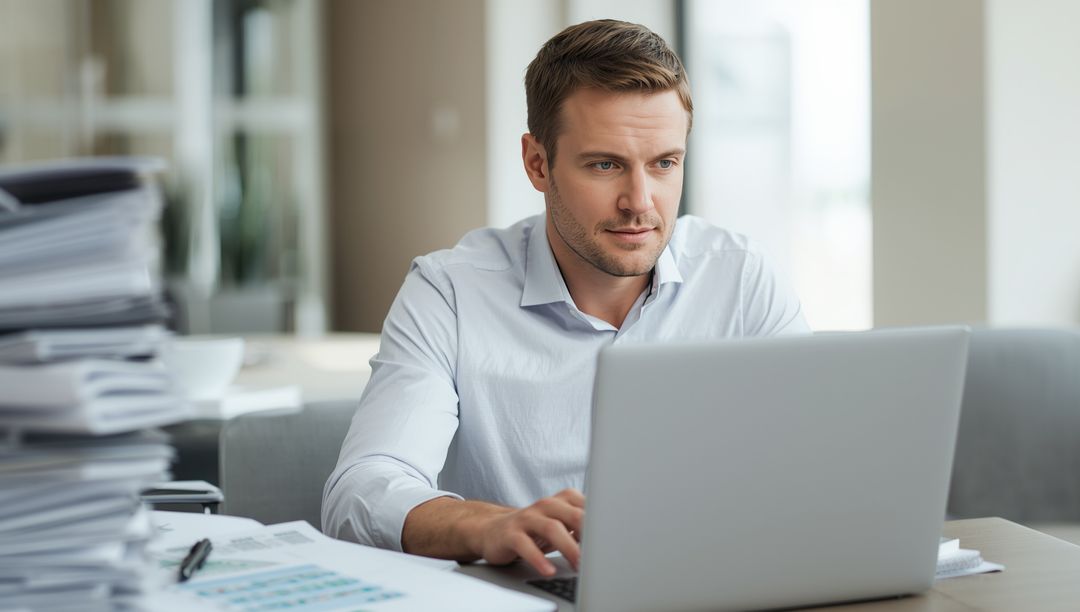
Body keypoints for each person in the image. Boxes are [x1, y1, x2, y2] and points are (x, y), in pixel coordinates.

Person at [322, 19, 809, 577]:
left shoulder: (741, 278)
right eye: (605, 165)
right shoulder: (450, 292)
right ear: (537, 163)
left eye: (664, 163)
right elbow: (360, 491)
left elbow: (810, 465)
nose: (639, 202)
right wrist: (487, 526)